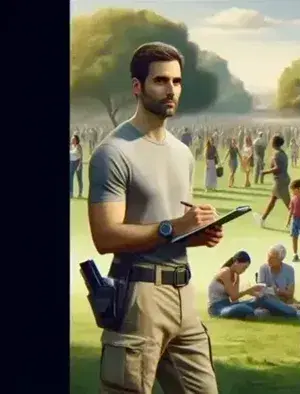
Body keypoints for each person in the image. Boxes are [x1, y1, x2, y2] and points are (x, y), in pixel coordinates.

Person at [88, 42, 220, 393]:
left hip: (184, 294)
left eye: (177, 82)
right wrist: (174, 227)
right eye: (161, 81)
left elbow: (167, 225)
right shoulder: (113, 152)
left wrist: (195, 233)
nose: (171, 90)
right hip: (138, 297)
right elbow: (106, 236)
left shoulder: (182, 153)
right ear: (137, 86)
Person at [207, 251, 300, 319]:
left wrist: (254, 294)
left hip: (228, 305)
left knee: (261, 298)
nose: (244, 271)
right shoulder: (225, 271)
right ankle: (259, 312)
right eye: (244, 267)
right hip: (217, 309)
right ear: (236, 262)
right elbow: (234, 296)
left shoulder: (236, 275)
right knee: (244, 308)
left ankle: (293, 312)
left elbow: (234, 299)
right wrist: (249, 290)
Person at [257, 244, 300, 317]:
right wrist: (277, 291)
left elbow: (290, 294)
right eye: (268, 256)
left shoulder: (289, 270)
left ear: (281, 259)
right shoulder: (263, 268)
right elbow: (260, 290)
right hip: (269, 301)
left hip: (286, 301)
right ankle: (292, 310)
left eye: (272, 258)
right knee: (267, 303)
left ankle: (288, 309)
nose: (268, 259)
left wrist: (277, 291)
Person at [255, 135, 291, 228]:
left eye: (271, 140)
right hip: (282, 180)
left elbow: (277, 168)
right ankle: (262, 219)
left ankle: (299, 223)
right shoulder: (282, 153)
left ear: (274, 143)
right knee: (273, 200)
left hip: (280, 181)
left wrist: (265, 172)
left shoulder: (276, 154)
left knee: (289, 205)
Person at [69, 134, 83, 199]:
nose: (72, 140)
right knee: (70, 178)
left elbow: (80, 157)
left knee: (79, 178)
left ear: (76, 140)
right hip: (72, 163)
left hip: (78, 163)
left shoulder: (78, 146)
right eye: (72, 139)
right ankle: (71, 193)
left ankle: (80, 193)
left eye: (73, 139)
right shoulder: (71, 146)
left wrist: (79, 166)